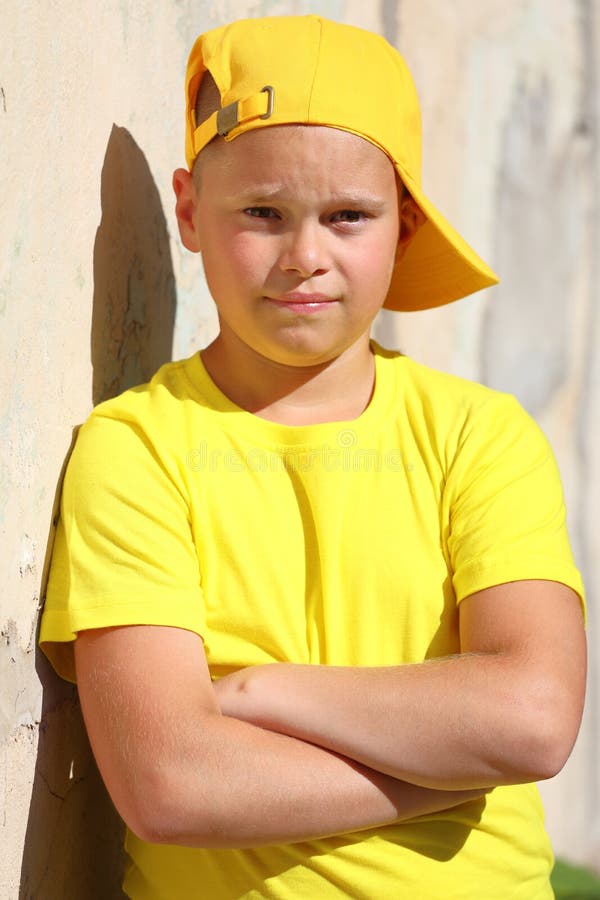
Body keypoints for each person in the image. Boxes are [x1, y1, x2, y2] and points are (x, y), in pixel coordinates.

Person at [40, 14, 586, 900]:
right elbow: (170, 783)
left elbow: (531, 721)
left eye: (348, 217)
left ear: (403, 224)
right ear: (187, 211)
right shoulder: (135, 450)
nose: (306, 258)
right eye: (262, 212)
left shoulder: (479, 438)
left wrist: (261, 693)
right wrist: (442, 770)